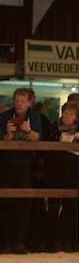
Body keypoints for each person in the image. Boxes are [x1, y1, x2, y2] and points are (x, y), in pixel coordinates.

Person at [0, 88, 43, 254]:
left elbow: (38, 138)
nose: (19, 104)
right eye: (17, 100)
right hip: (5, 164)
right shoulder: (4, 116)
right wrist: (8, 134)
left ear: (29, 102)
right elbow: (2, 139)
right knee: (4, 203)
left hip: (26, 164)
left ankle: (19, 242)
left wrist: (27, 131)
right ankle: (4, 243)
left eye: (22, 101)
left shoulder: (35, 117)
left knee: (24, 204)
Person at [43, 103, 79, 252]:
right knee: (53, 207)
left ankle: (66, 240)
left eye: (71, 114)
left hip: (73, 172)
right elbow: (45, 148)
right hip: (54, 171)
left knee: (70, 208)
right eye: (65, 113)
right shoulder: (52, 128)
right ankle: (50, 241)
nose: (67, 116)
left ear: (76, 117)